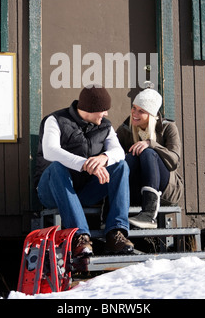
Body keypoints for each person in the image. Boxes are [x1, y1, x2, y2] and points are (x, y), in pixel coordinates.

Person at [34, 85, 134, 259]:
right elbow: (50, 151)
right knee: (57, 166)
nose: (106, 114)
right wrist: (85, 164)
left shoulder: (105, 126)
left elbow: (119, 153)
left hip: (85, 191)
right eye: (103, 110)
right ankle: (80, 237)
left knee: (121, 167)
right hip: (53, 190)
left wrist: (104, 157)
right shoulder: (55, 120)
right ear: (91, 109)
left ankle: (115, 233)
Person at [116, 87, 183, 229]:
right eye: (134, 108)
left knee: (147, 152)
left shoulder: (168, 128)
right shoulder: (125, 130)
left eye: (141, 111)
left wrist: (151, 144)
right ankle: (111, 211)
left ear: (151, 114)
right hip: (135, 190)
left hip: (165, 189)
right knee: (130, 157)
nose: (134, 113)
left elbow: (174, 161)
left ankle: (149, 214)